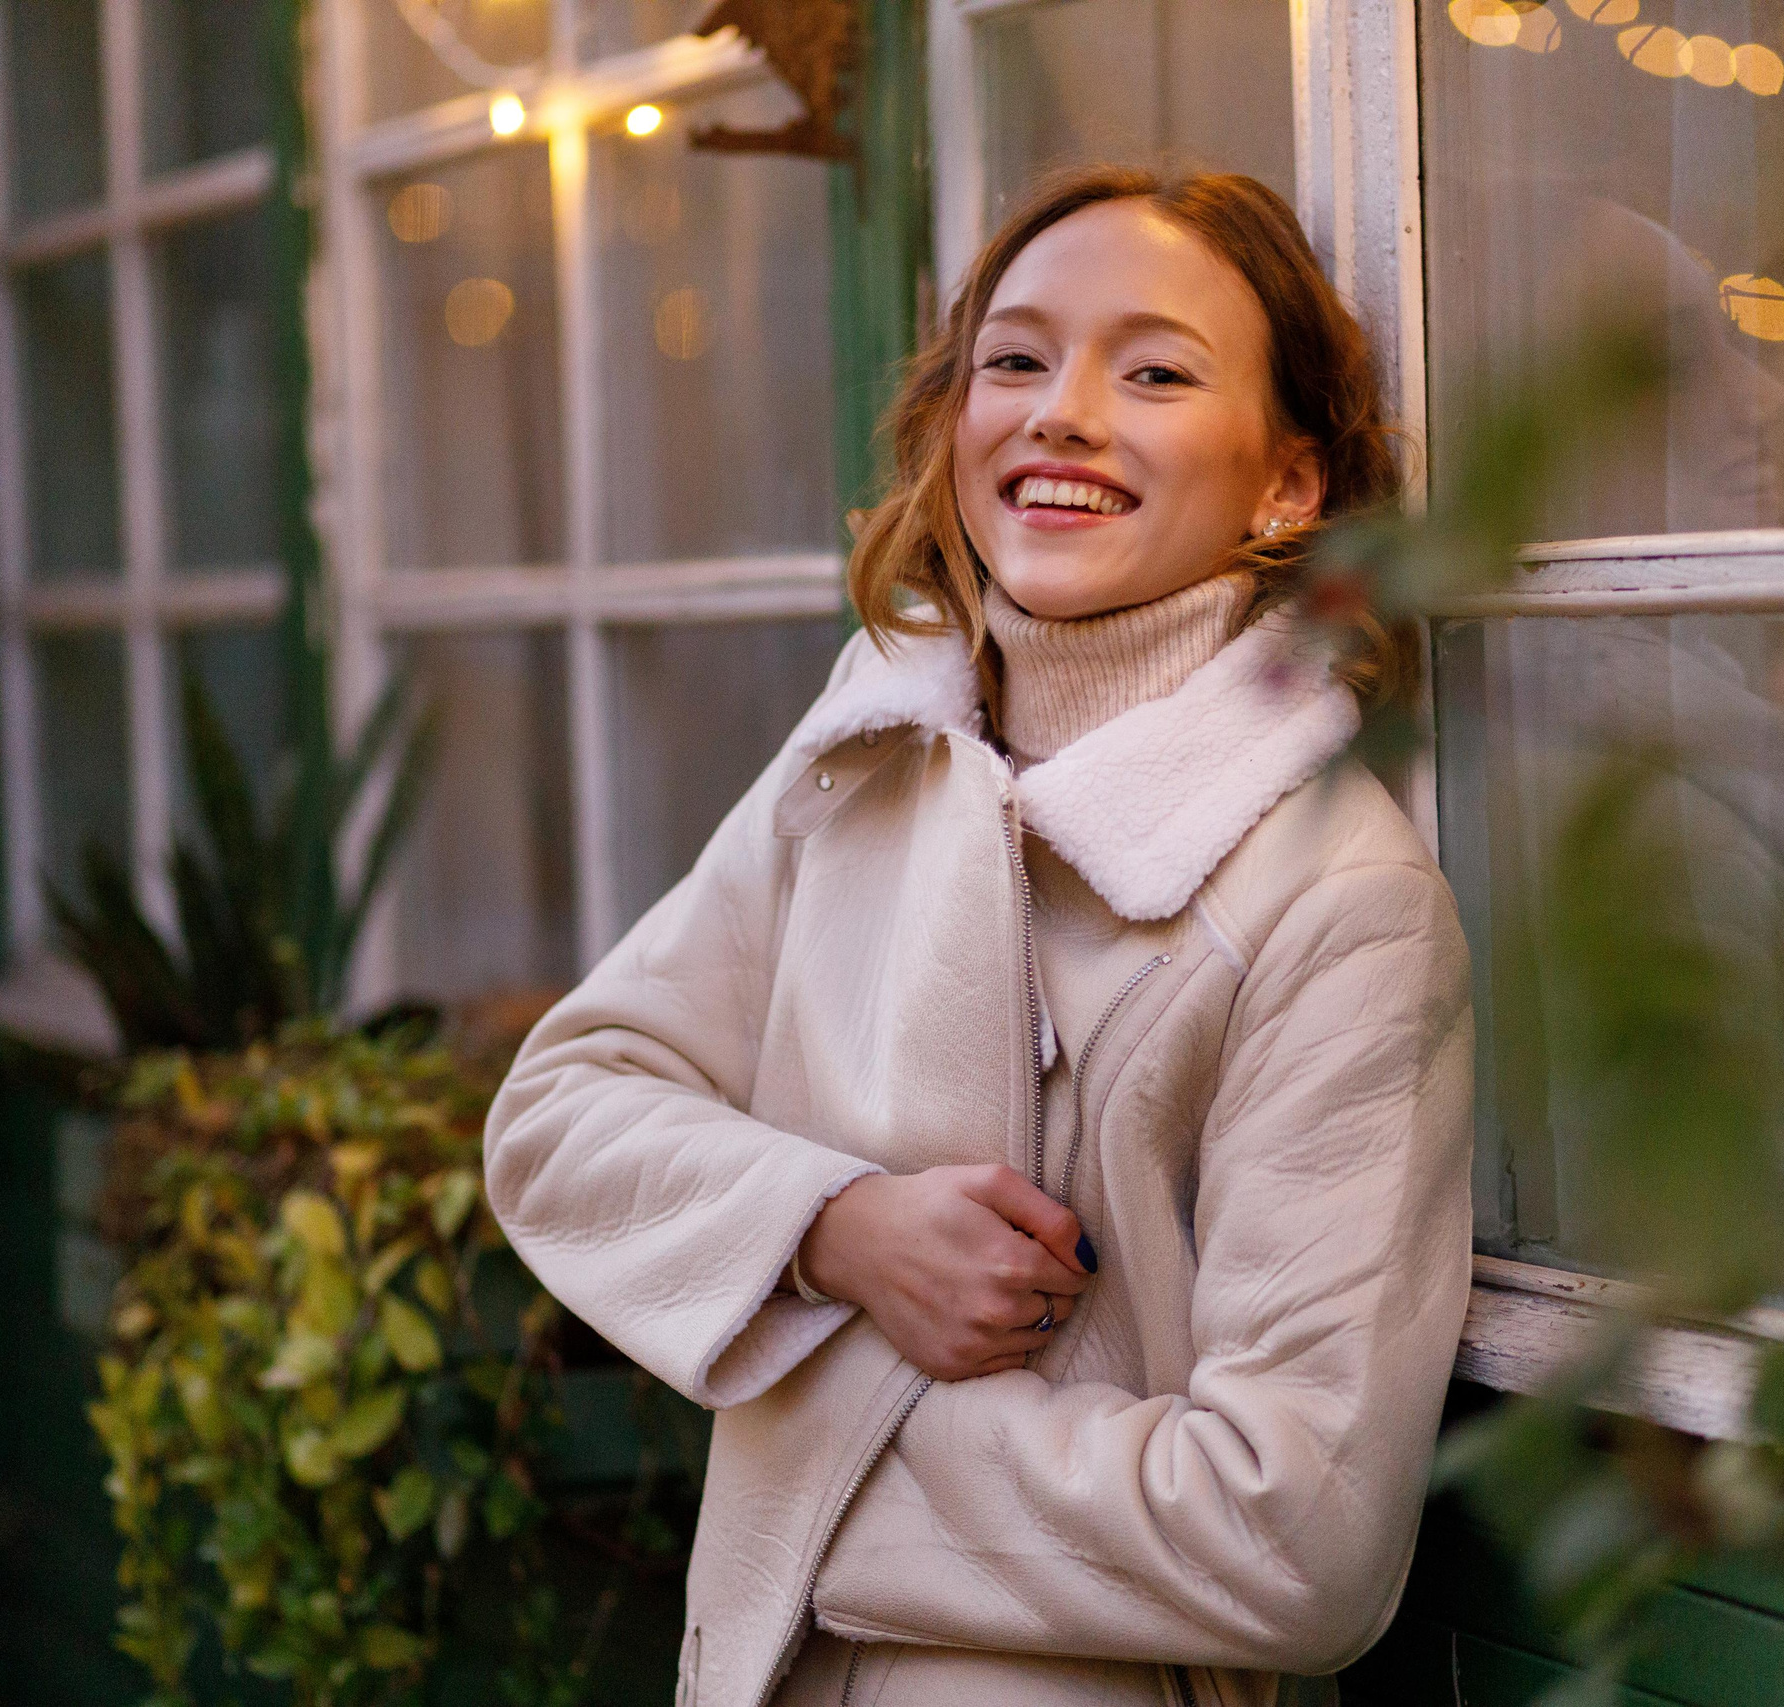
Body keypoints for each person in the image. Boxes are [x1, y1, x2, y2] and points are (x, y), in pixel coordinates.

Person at [483, 165, 1475, 1707]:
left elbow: (1300, 1531)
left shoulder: (1334, 896)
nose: (1062, 414)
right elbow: (561, 1120)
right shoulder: (875, 754)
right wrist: (832, 1228)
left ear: (1288, 484)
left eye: (1153, 372)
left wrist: (802, 1443)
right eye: (1015, 360)